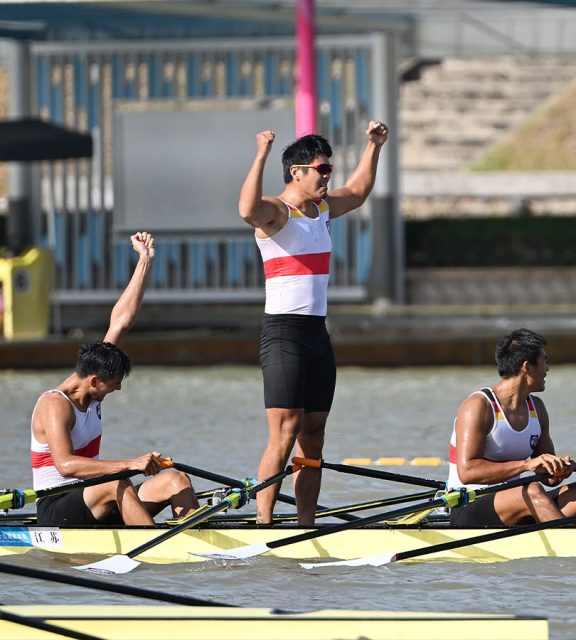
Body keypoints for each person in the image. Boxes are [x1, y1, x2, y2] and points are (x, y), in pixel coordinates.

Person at [239, 121, 389, 525]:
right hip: (283, 335)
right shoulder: (275, 212)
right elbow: (246, 210)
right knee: (284, 433)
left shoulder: (322, 209)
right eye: (322, 169)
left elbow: (357, 193)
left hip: (317, 336)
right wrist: (261, 155)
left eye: (329, 170)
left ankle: (307, 522)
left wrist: (373, 146)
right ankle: (263, 522)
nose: (328, 176)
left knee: (314, 435)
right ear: (297, 172)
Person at [30, 232, 198, 526]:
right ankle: (157, 548)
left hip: (91, 498)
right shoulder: (54, 405)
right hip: (57, 506)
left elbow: (122, 319)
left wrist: (144, 260)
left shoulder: (99, 368)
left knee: (176, 479)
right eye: (112, 386)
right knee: (115, 483)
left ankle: (197, 542)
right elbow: (66, 465)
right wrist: (130, 465)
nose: (116, 390)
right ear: (94, 381)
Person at [447, 328, 576, 526]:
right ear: (527, 367)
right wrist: (527, 465)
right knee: (532, 489)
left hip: (521, 500)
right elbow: (468, 472)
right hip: (469, 505)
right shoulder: (478, 406)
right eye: (544, 360)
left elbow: (549, 480)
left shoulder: (537, 408)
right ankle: (572, 546)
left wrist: (559, 469)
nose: (548, 368)